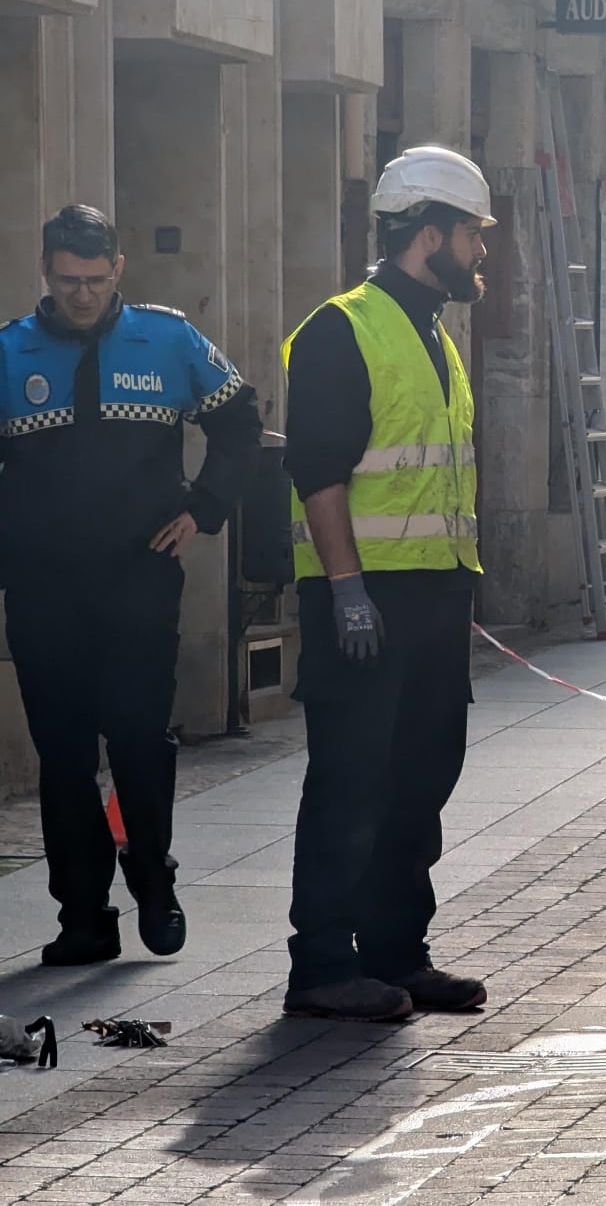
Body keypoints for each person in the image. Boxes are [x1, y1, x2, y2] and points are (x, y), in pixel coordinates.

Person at [0, 204, 260, 965]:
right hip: (44, 587)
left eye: (95, 279)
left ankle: (153, 878)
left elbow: (240, 423)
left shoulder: (171, 339)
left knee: (142, 738)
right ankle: (83, 914)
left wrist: (203, 510)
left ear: (118, 270)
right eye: (68, 279)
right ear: (45, 271)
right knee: (64, 753)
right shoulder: (11, 352)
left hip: (139, 577)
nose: (82, 294)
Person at [278, 146, 491, 1022]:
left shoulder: (432, 331)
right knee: (351, 779)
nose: (483, 253)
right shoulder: (343, 328)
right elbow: (318, 471)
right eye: (474, 236)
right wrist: (347, 590)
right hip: (366, 598)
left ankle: (397, 951)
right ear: (429, 234)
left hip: (433, 593)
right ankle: (323, 965)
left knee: (419, 775)